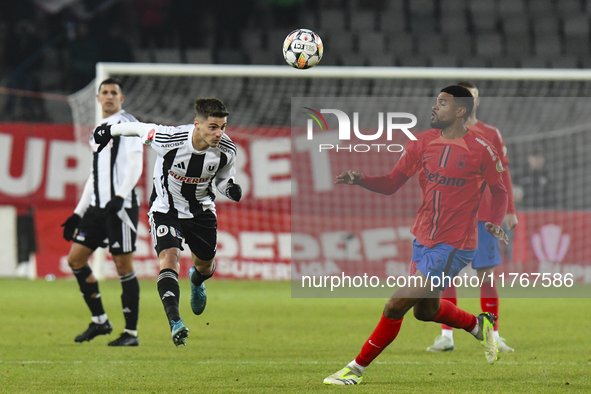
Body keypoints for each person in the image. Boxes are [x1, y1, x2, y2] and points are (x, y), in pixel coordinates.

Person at [324, 85, 509, 386]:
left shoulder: (481, 149)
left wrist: (496, 221)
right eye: (436, 102)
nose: (435, 108)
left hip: (454, 245)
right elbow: (392, 182)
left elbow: (499, 190)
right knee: (426, 311)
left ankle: (354, 370)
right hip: (422, 238)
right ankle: (479, 325)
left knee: (395, 305)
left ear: (460, 111)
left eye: (443, 104)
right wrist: (361, 179)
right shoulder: (422, 143)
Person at [92, 98, 242, 347]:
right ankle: (175, 322)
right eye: (213, 127)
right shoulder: (170, 139)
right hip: (166, 209)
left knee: (205, 266)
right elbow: (140, 128)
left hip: (201, 211)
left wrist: (230, 189)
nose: (220, 133)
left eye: (223, 127)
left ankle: (197, 280)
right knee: (169, 259)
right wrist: (108, 130)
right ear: (197, 124)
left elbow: (224, 179)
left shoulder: (227, 149)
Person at [427, 81, 517, 354]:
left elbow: (502, 174)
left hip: (485, 215)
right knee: (445, 277)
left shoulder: (491, 133)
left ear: (476, 101)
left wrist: (510, 209)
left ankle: (493, 335)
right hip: (452, 217)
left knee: (486, 276)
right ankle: (446, 336)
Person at [61, 78, 143, 346]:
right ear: (98, 98)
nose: (108, 96)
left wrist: (120, 197)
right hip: (97, 209)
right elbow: (95, 177)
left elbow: (135, 165)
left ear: (122, 99)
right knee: (75, 260)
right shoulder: (98, 129)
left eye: (113, 93)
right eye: (104, 92)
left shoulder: (127, 124)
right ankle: (100, 321)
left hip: (121, 208)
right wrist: (77, 212)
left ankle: (131, 333)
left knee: (122, 266)